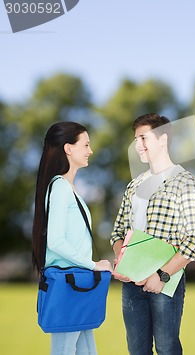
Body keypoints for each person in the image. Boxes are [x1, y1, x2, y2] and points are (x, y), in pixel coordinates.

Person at [110, 113, 195, 355]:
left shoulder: (185, 182)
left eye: (143, 137)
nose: (138, 145)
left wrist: (161, 276)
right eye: (136, 139)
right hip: (132, 284)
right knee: (136, 350)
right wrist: (124, 264)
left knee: (167, 348)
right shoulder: (134, 184)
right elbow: (118, 231)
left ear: (163, 139)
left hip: (165, 282)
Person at [32, 122, 113, 355]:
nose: (90, 150)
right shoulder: (59, 188)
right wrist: (93, 264)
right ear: (68, 148)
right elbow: (56, 241)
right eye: (85, 144)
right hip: (69, 285)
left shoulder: (68, 188)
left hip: (76, 286)